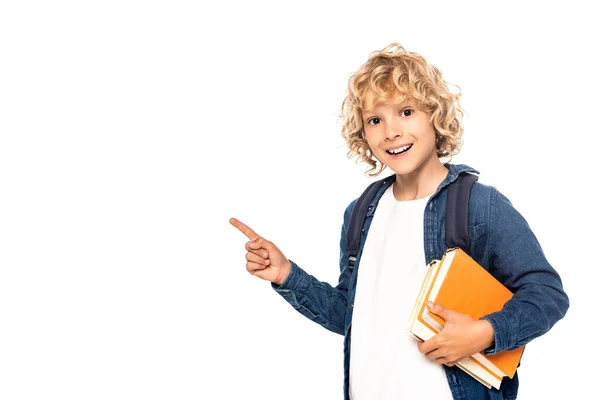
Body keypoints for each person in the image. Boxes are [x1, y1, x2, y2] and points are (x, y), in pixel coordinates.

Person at [229, 42, 569, 399]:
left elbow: (547, 294)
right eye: (375, 120)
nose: (391, 131)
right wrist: (286, 275)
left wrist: (486, 332)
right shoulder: (360, 212)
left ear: (435, 115)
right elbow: (350, 316)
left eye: (406, 112)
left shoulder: (480, 205)